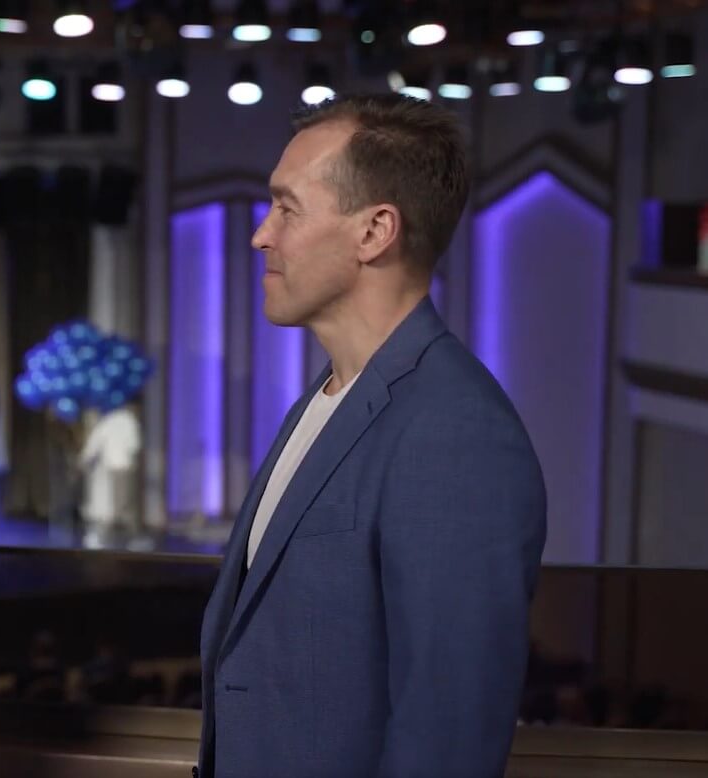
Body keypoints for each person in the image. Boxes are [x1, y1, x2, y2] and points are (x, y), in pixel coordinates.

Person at [197, 94, 546, 777]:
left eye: (287, 209)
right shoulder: (325, 396)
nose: (261, 235)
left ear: (374, 232)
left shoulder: (456, 433)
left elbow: (447, 737)